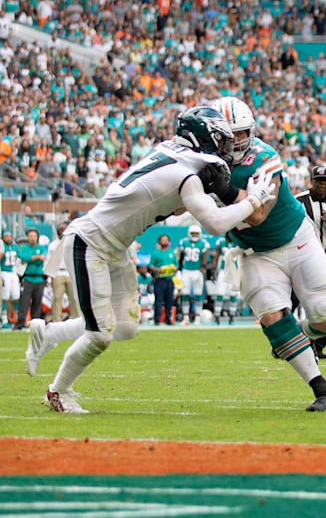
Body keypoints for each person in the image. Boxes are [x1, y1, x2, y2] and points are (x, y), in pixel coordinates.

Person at [27, 106, 275, 412]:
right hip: (89, 243)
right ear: (202, 139)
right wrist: (253, 199)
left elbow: (176, 205)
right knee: (100, 334)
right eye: (219, 140)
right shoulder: (187, 171)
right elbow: (215, 224)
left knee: (125, 327)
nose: (224, 149)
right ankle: (58, 392)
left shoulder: (171, 153)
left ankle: (48, 333)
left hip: (113, 246)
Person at [213, 96, 326, 411]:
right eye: (227, 136)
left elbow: (258, 215)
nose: (235, 142)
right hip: (255, 253)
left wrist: (221, 191)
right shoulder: (197, 166)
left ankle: (291, 336)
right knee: (272, 316)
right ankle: (323, 391)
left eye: (241, 134)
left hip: (296, 239)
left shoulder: (263, 156)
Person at [295, 164, 326, 358]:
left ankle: (318, 346)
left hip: (324, 254)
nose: (322, 185)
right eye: (318, 181)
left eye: (325, 181)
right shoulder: (298, 201)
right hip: (301, 255)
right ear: (311, 181)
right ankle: (283, 342)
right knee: (293, 298)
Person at [45, 222, 79, 322]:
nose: (62, 231)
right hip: (58, 273)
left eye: (64, 229)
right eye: (60, 230)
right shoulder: (53, 245)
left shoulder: (72, 243)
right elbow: (48, 260)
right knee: (57, 298)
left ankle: (76, 320)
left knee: (74, 298)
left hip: (70, 273)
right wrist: (50, 275)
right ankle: (56, 321)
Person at [177, 225, 210, 325]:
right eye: (193, 233)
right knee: (185, 293)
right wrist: (179, 269)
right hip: (186, 270)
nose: (194, 235)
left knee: (198, 294)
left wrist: (202, 269)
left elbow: (204, 258)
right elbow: (180, 256)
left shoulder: (203, 243)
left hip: (197, 271)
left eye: (196, 233)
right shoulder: (184, 242)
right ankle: (186, 317)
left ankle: (197, 317)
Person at [16, 229, 48, 329]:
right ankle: (20, 323)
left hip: (39, 279)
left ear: (37, 237)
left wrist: (33, 258)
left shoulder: (42, 248)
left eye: (34, 236)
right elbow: (24, 257)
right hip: (27, 278)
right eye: (30, 236)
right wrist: (35, 258)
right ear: (28, 237)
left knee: (37, 302)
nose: (32, 238)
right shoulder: (24, 248)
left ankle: (36, 324)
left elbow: (42, 260)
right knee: (24, 302)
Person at [149, 234, 178, 326]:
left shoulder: (172, 253)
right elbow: (150, 265)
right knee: (158, 300)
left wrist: (173, 268)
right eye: (163, 240)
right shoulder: (156, 253)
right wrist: (158, 270)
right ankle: (157, 319)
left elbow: (176, 265)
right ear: (159, 242)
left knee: (169, 300)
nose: (165, 241)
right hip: (159, 279)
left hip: (169, 279)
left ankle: (168, 318)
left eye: (166, 240)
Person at [1, 232, 20, 327]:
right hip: (4, 272)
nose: (8, 238)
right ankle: (4, 320)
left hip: (14, 272)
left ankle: (15, 318)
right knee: (5, 297)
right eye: (6, 236)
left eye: (9, 236)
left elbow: (20, 258)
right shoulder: (2, 246)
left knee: (16, 296)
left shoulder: (15, 246)